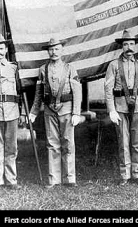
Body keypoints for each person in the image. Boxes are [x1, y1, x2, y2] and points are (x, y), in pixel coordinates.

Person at [29, 37, 82, 188]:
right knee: (52, 144)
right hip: (49, 110)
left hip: (67, 109)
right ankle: (54, 179)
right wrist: (33, 112)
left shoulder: (70, 68)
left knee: (68, 143)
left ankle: (69, 178)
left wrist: (76, 112)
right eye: (51, 49)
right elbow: (39, 94)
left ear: (62, 50)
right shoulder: (42, 69)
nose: (54, 52)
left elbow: (77, 91)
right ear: (47, 51)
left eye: (57, 49)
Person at [105, 29, 138, 186]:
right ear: (122, 46)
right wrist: (111, 110)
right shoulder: (113, 65)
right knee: (123, 141)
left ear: (135, 46)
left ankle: (137, 173)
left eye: (132, 44)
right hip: (120, 108)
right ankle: (125, 174)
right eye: (126, 44)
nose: (129, 47)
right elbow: (108, 89)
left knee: (137, 141)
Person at [0, 35, 23, 190]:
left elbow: (20, 91)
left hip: (12, 111)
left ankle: (11, 179)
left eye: (1, 48)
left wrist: (21, 112)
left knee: (11, 147)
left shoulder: (14, 68)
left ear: (6, 49)